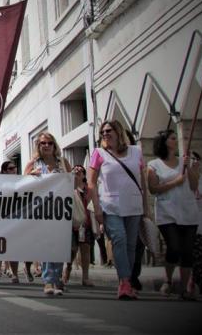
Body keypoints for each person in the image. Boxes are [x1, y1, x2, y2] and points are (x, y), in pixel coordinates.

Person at [87, 120, 149, 300]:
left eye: (109, 130)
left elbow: (142, 182)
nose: (105, 134)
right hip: (110, 206)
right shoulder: (98, 153)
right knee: (119, 239)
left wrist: (146, 208)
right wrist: (97, 209)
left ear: (118, 131)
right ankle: (124, 282)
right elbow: (91, 184)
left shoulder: (136, 152)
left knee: (131, 245)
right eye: (103, 131)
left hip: (133, 205)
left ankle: (127, 280)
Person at [147, 130, 199, 300]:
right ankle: (168, 279)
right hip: (167, 212)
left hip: (188, 211)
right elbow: (153, 189)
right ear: (164, 141)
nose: (176, 141)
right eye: (172, 138)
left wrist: (191, 167)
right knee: (174, 247)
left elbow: (193, 185)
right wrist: (174, 183)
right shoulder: (154, 165)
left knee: (187, 251)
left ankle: (184, 288)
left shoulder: (185, 162)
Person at [24, 132, 72, 296]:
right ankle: (48, 281)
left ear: (54, 145)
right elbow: (21, 186)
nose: (46, 145)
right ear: (38, 146)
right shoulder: (34, 163)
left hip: (60, 210)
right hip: (41, 211)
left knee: (58, 244)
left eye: (49, 143)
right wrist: (30, 176)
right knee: (45, 244)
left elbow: (71, 183)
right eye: (43, 143)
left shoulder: (63, 162)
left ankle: (57, 278)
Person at [63, 165, 94, 287]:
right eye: (74, 170)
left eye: (80, 170)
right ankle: (68, 268)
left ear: (84, 175)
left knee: (85, 250)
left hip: (85, 223)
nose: (77, 171)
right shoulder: (67, 187)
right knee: (72, 250)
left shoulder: (88, 189)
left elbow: (93, 204)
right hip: (70, 224)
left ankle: (85, 277)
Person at [191, 152, 202, 296]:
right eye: (191, 159)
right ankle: (199, 282)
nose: (194, 161)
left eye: (196, 158)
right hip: (193, 224)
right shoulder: (185, 179)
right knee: (199, 255)